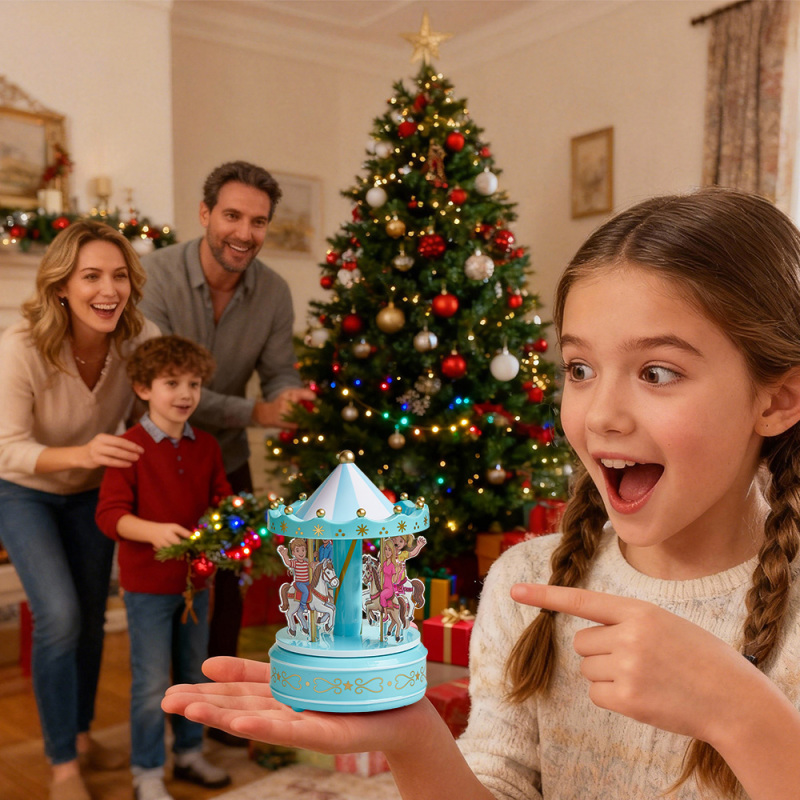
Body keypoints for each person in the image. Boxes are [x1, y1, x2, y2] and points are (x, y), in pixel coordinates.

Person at [162, 188, 800, 800]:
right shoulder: (526, 584)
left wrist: (739, 712)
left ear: (777, 399)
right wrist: (411, 736)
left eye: (657, 372)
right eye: (579, 369)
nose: (601, 414)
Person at [138, 162, 315, 736]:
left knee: (229, 592)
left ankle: (215, 723)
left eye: (258, 221)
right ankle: (162, 716)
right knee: (159, 591)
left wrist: (293, 402)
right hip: (160, 457)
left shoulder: (275, 291)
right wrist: (258, 413)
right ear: (205, 214)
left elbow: (280, 372)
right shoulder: (154, 276)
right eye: (233, 215)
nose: (244, 232)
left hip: (227, 457)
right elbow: (165, 380)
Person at [0, 220, 158, 800]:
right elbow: (4, 446)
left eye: (118, 275)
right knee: (60, 615)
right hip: (21, 490)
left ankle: (83, 735)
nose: (107, 290)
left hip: (92, 492)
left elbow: (165, 405)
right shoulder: (20, 346)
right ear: (61, 285)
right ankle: (62, 761)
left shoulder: (139, 341)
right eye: (90, 276)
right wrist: (84, 452)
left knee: (91, 617)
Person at [95, 335, 233, 800]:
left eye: (193, 383)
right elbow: (109, 514)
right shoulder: (127, 447)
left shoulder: (207, 446)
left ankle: (190, 753)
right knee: (152, 679)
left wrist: (234, 519)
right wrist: (152, 530)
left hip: (198, 583)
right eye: (171, 382)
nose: (185, 393)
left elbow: (220, 500)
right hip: (147, 588)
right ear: (142, 387)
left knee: (195, 672)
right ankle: (147, 770)